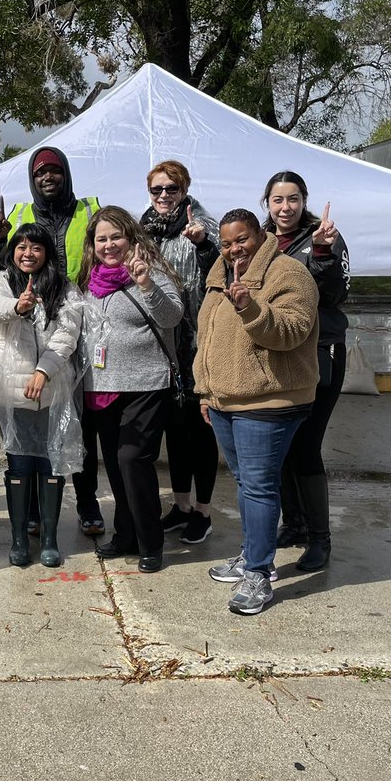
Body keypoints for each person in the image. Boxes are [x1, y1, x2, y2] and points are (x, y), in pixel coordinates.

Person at [194, 209, 318, 616]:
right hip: (226, 400)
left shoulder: (288, 273)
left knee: (260, 487)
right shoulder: (220, 277)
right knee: (247, 484)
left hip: (270, 401)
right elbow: (207, 338)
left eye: (241, 240)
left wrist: (250, 309)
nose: (234, 249)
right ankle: (250, 557)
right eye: (227, 243)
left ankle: (260, 575)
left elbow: (291, 332)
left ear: (260, 234)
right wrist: (205, 392)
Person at [0, 145, 105, 537]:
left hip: (76, 323)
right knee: (27, 437)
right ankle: (32, 513)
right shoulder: (19, 218)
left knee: (76, 426)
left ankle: (87, 505)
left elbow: (107, 254)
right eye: (40, 173)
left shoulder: (89, 212)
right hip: (27, 337)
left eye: (54, 171)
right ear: (32, 180)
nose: (47, 178)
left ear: (66, 175)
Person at [80, 206, 183, 574]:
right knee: (115, 464)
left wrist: (145, 284)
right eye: (101, 239)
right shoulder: (90, 282)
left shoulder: (150, 273)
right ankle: (126, 534)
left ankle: (150, 540)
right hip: (102, 386)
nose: (109, 245)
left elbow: (172, 317)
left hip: (145, 384)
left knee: (131, 460)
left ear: (131, 238)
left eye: (115, 237)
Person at [0, 222, 84, 567]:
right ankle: (19, 539)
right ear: (12, 251)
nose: (28, 254)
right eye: (21, 247)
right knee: (19, 463)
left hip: (52, 388)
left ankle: (51, 539)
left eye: (36, 247)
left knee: (50, 461)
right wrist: (18, 306)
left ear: (47, 253)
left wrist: (43, 371)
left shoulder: (65, 289)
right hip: (11, 392)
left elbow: (67, 336)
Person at [262, 171, 350, 572]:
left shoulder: (325, 236)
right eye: (278, 200)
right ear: (267, 203)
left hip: (320, 353)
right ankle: (294, 524)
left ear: (304, 200)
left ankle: (320, 540)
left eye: (293, 199)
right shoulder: (260, 241)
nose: (286, 208)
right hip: (280, 354)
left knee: (306, 447)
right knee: (281, 446)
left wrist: (321, 255)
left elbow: (334, 295)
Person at [138, 160, 221, 545]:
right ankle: (181, 504)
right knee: (174, 428)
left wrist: (202, 244)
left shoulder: (203, 223)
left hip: (199, 341)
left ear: (184, 188)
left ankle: (203, 510)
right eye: (157, 189)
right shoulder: (143, 230)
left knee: (200, 429)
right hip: (161, 344)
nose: (164, 196)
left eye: (171, 188)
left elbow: (224, 271)